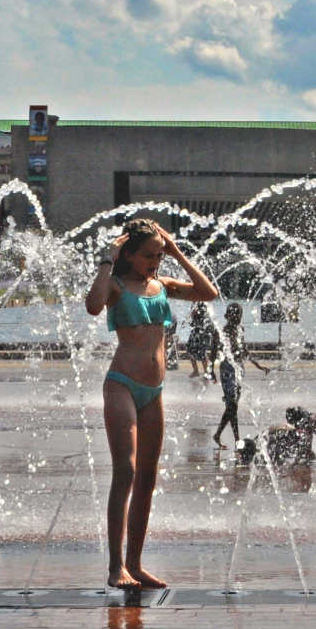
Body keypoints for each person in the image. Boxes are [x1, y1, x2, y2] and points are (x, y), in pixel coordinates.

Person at [84, 218, 219, 590]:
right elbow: (93, 306)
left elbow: (209, 293)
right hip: (122, 386)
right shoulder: (115, 286)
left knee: (147, 477)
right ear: (128, 254)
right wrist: (107, 260)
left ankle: (136, 564)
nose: (155, 262)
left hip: (154, 391)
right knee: (125, 471)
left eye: (159, 255)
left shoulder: (162, 285)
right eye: (148, 256)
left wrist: (177, 252)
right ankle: (115, 567)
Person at [212, 351, 242, 447]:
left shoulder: (238, 336)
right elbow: (214, 350)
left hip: (238, 368)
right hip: (227, 370)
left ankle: (218, 435)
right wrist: (211, 370)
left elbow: (244, 349)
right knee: (232, 404)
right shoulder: (221, 336)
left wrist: (256, 365)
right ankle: (237, 439)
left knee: (232, 406)